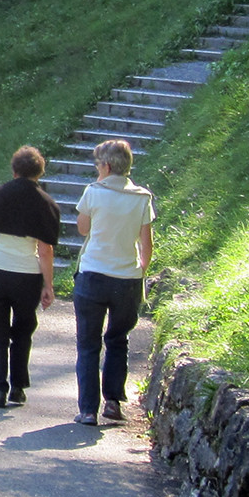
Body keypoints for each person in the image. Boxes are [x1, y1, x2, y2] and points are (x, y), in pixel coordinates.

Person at [72, 140, 154, 426]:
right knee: (118, 340)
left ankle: (87, 409)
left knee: (88, 344)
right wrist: (139, 271)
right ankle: (113, 403)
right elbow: (147, 244)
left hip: (93, 273)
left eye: (98, 165)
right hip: (127, 278)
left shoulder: (94, 191)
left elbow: (83, 228)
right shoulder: (142, 197)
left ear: (105, 166)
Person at [0, 146, 60, 409]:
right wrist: (48, 284)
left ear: (14, 170)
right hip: (27, 275)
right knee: (23, 330)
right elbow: (45, 250)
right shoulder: (47, 203)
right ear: (40, 172)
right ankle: (19, 387)